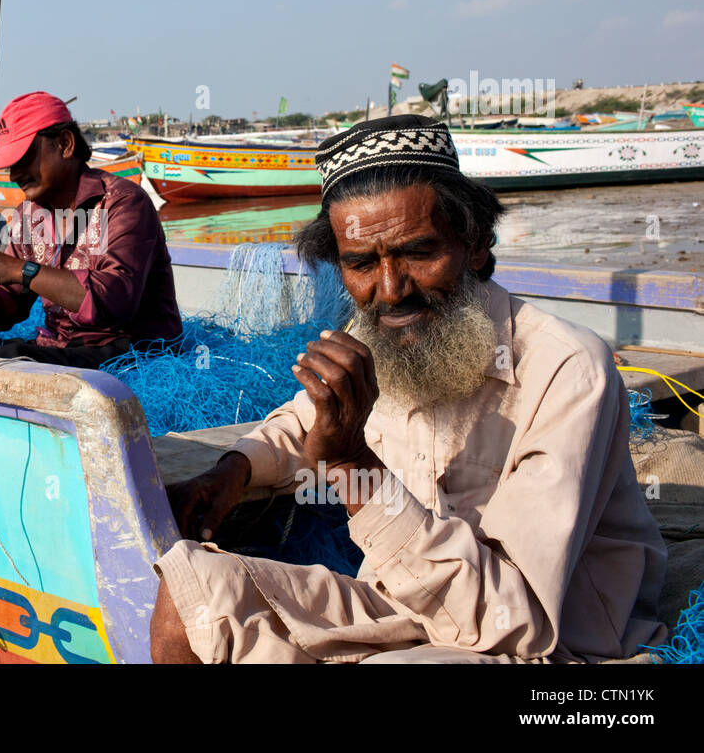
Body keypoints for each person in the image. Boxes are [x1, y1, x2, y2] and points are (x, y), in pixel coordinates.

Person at [151, 114, 667, 664]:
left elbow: (517, 622)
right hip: (402, 605)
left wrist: (352, 468)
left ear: (473, 244)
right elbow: (304, 422)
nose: (392, 290)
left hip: (545, 640)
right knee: (190, 598)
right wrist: (232, 470)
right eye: (362, 264)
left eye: (418, 254)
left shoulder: (565, 367)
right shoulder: (375, 336)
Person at [0, 91, 182, 369]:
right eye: (11, 165)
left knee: (8, 360)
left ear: (65, 143)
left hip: (131, 352)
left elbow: (114, 303)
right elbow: (10, 307)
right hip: (64, 348)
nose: (14, 175)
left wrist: (19, 269)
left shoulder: (123, 203)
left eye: (24, 157)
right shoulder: (29, 215)